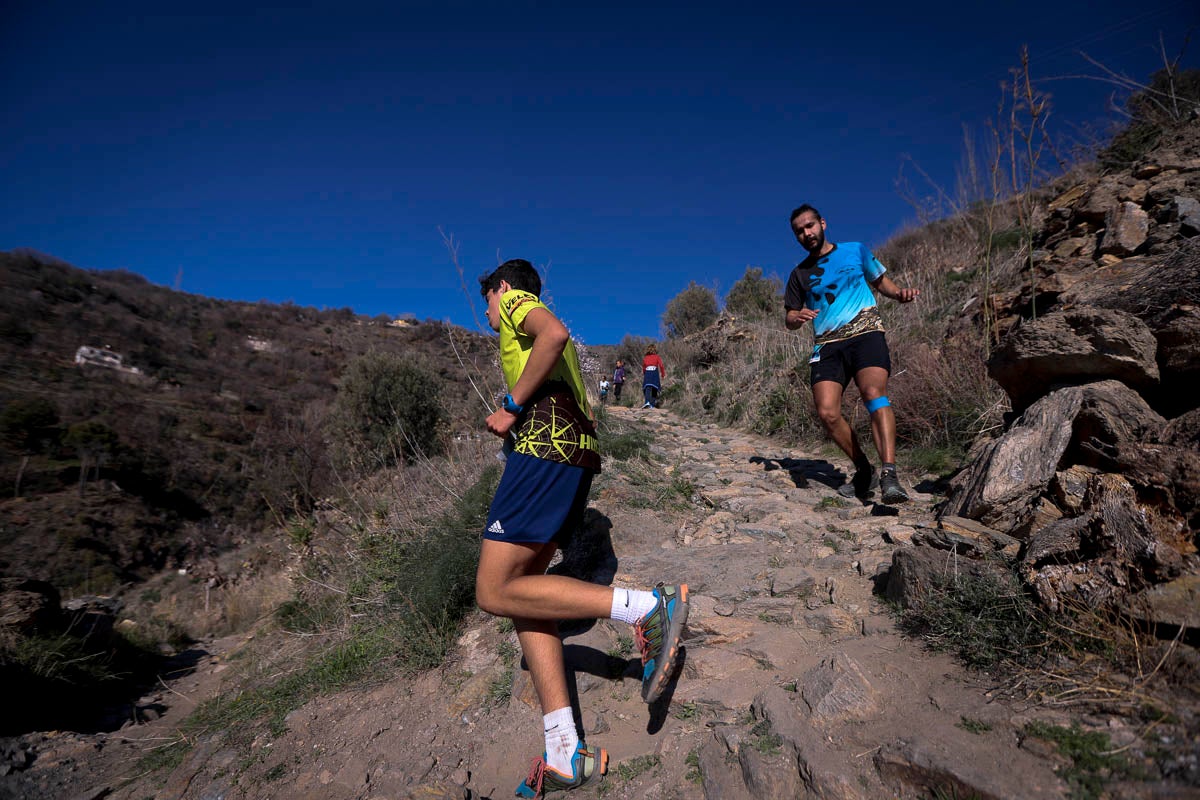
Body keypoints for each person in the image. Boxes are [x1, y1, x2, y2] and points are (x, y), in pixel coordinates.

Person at [477, 259, 690, 797]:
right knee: (522, 597)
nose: (487, 311)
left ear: (503, 287)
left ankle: (646, 607)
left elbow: (553, 333)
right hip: (570, 452)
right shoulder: (535, 335)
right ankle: (564, 751)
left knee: (492, 589)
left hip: (545, 449)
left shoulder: (515, 303)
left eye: (486, 298)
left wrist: (510, 406)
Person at [783, 204, 919, 505]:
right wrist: (796, 317)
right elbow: (789, 318)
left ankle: (889, 474)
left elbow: (880, 281)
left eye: (810, 226)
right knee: (827, 412)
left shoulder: (855, 250)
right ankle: (864, 469)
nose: (807, 233)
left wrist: (899, 294)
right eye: (800, 231)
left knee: (874, 393)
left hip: (866, 333)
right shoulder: (799, 274)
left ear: (823, 223)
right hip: (827, 346)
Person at [641, 345, 664, 409]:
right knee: (654, 388)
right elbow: (661, 366)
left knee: (647, 388)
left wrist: (644, 373)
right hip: (654, 373)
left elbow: (644, 367)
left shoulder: (645, 358)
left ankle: (647, 402)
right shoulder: (657, 357)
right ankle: (652, 404)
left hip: (647, 373)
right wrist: (663, 374)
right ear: (655, 350)